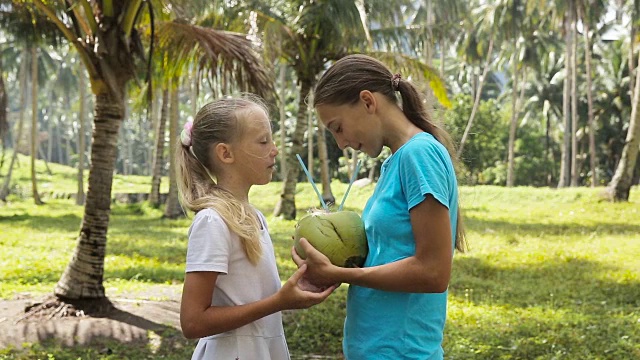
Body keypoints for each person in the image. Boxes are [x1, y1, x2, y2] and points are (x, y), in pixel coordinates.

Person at [292, 54, 467, 360]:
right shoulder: (395, 162)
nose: (341, 143)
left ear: (367, 102)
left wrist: (343, 274)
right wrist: (332, 268)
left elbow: (434, 272)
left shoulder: (420, 155)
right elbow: (391, 258)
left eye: (338, 127)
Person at [177, 95, 336, 360]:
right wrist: (279, 302)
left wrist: (300, 287)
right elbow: (192, 322)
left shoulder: (255, 217)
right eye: (263, 141)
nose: (274, 149)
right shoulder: (213, 222)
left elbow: (251, 295)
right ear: (225, 153)